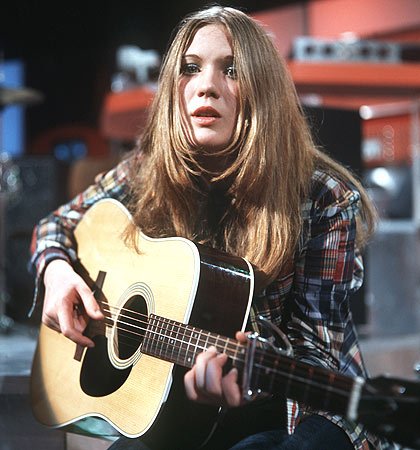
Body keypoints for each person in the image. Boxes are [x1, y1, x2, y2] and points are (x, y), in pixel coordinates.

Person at [30, 5, 395, 450]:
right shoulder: (147, 171)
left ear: (263, 88)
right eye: (190, 68)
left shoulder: (324, 196)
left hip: (304, 410)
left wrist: (249, 381)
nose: (206, 86)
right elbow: (56, 225)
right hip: (187, 407)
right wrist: (57, 273)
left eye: (232, 70)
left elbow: (315, 354)